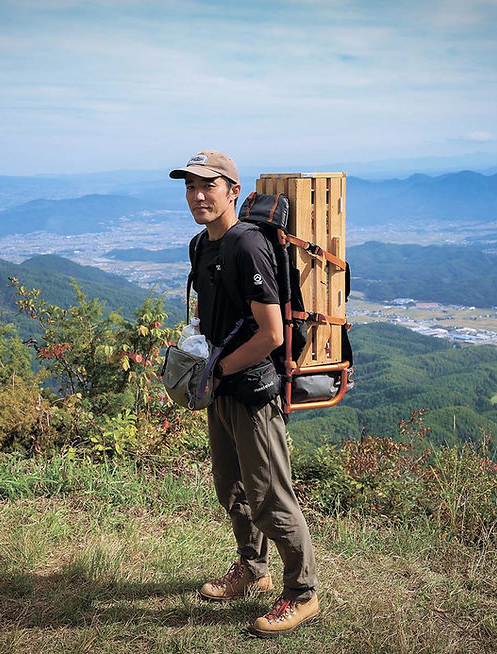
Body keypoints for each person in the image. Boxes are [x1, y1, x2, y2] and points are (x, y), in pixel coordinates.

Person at [169, 150, 320, 637]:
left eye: (207, 185)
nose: (197, 195)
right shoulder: (201, 245)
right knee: (231, 488)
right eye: (190, 186)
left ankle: (302, 594)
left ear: (233, 190)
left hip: (253, 391)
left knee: (271, 496)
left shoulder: (246, 246)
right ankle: (253, 569)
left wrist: (218, 370)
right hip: (221, 389)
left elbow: (272, 334)